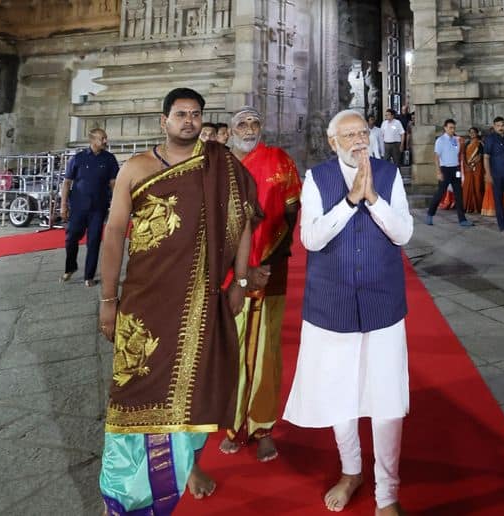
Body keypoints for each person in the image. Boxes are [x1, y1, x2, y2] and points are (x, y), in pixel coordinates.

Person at [97, 88, 259, 514]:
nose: (189, 120)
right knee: (134, 389)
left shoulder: (221, 164)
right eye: (181, 114)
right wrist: (107, 298)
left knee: (195, 386)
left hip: (200, 302)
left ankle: (187, 466)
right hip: (144, 299)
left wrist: (240, 280)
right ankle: (127, 493)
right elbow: (114, 233)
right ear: (163, 121)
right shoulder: (137, 167)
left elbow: (243, 222)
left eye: (196, 114)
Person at [283, 109, 413, 516]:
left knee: (386, 397)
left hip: (382, 300)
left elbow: (404, 233)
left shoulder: (389, 176)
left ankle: (387, 493)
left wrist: (372, 198)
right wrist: (350, 199)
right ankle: (351, 469)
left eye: (362, 133)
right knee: (341, 392)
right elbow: (311, 238)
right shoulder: (316, 178)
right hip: (332, 302)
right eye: (348, 135)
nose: (358, 140)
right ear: (332, 140)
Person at [218, 107, 302, 461]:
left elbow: (291, 211)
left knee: (266, 350)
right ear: (230, 129)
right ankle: (231, 424)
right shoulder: (217, 168)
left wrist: (269, 261)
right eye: (242, 123)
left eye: (254, 122)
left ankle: (263, 426)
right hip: (225, 275)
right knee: (229, 349)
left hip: (270, 270)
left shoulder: (278, 160)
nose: (249, 128)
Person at [60, 128, 119, 287]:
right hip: (78, 206)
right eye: (102, 138)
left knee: (93, 241)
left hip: (98, 207)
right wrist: (63, 205)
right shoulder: (78, 158)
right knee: (71, 237)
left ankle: (89, 276)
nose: (105, 141)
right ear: (92, 140)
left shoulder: (109, 159)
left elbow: (113, 183)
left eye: (105, 138)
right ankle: (70, 267)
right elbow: (67, 182)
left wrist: (116, 203)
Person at [427, 119, 473, 226]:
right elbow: (436, 157)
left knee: (458, 194)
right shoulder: (440, 140)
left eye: (454, 128)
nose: (452, 130)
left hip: (455, 169)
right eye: (450, 128)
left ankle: (462, 219)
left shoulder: (456, 140)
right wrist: (438, 172)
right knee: (440, 193)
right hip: (445, 169)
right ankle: (430, 214)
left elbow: (458, 153)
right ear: (445, 128)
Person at [462, 127, 485, 213]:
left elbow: (481, 155)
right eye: (470, 132)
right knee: (467, 186)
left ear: (476, 133)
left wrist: (473, 163)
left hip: (477, 167)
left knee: (477, 186)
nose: (472, 134)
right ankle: (468, 206)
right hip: (468, 168)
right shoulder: (467, 143)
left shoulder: (480, 144)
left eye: (473, 132)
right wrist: (467, 165)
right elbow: (464, 155)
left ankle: (477, 207)